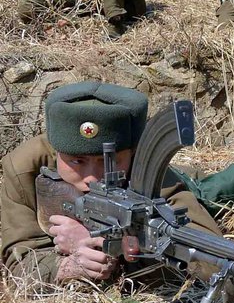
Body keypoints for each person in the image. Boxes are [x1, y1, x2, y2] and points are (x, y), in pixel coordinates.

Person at [1, 81, 220, 284]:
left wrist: (115, 248)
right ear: (56, 150)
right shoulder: (23, 167)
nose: (93, 177)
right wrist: (66, 266)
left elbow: (211, 263)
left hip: (189, 180)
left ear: (133, 154)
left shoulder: (151, 175)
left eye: (110, 161)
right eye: (77, 161)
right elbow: (17, 262)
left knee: (217, 190)